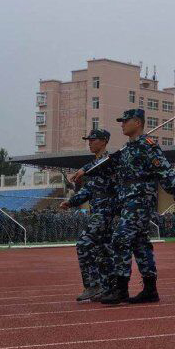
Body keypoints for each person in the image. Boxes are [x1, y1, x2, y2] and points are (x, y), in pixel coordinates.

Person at [72, 109, 175, 305]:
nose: (122, 124)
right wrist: (85, 169)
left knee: (120, 238)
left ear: (137, 122)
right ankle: (150, 290)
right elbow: (107, 165)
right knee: (140, 244)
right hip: (128, 201)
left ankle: (121, 289)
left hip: (140, 200)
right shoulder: (127, 148)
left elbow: (164, 170)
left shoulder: (148, 146)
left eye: (125, 121)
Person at [60, 128, 118, 302]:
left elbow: (105, 164)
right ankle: (108, 287)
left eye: (93, 140)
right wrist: (71, 202)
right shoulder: (94, 166)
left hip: (106, 211)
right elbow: (88, 190)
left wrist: (85, 169)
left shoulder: (108, 162)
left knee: (84, 243)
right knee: (103, 250)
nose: (90, 143)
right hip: (98, 211)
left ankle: (93, 286)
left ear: (104, 141)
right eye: (89, 140)